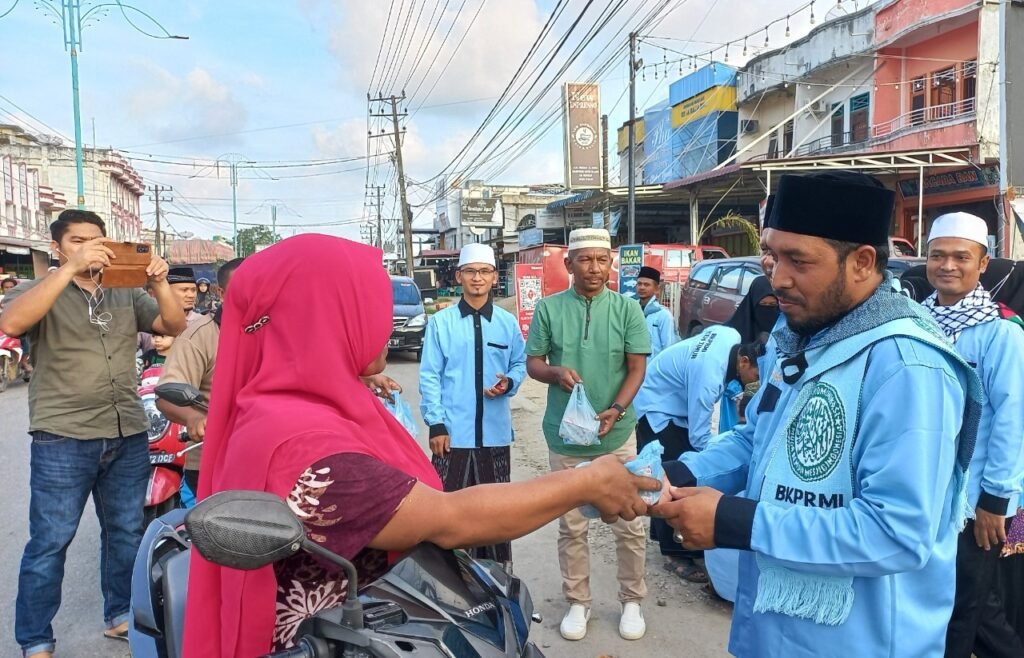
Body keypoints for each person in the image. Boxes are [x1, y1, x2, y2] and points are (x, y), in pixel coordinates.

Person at [180, 235, 658, 657]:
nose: (384, 321)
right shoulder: (307, 445)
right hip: (335, 637)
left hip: (368, 615)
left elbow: (520, 368)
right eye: (368, 306)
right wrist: (588, 480)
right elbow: (452, 520)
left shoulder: (295, 406)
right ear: (327, 316)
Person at [650, 171, 982, 658]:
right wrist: (673, 473)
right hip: (775, 628)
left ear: (862, 262)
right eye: (772, 254)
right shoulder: (804, 336)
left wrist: (737, 521)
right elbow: (758, 439)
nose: (776, 277)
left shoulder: (907, 367)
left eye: (798, 260)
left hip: (861, 641)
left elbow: (896, 534)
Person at [0, 209, 186, 658]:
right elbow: (11, 324)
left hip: (125, 429)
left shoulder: (123, 293)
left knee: (124, 532)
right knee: (51, 540)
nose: (89, 247)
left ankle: (119, 615)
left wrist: (159, 282)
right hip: (63, 434)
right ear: (58, 247)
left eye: (96, 239)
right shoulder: (38, 289)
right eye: (77, 240)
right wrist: (68, 270)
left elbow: (174, 326)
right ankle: (36, 638)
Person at [524, 227, 652, 642]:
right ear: (569, 264)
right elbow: (534, 365)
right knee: (573, 525)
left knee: (630, 523)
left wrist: (616, 409)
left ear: (611, 263)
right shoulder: (548, 309)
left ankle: (632, 600)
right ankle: (578, 602)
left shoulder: (628, 310)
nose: (594, 268)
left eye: (602, 259)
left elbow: (636, 368)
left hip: (616, 436)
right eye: (585, 259)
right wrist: (555, 372)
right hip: (566, 437)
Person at [919, 212, 1024, 658]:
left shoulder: (1001, 332)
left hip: (971, 504)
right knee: (959, 609)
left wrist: (994, 501)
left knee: (961, 611)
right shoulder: (913, 321)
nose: (948, 265)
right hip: (919, 494)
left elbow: (1012, 419)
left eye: (961, 257)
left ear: (983, 264)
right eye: (938, 255)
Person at [419, 243, 527, 565]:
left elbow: (519, 364)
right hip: (453, 437)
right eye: (470, 272)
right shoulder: (442, 324)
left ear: (495, 277)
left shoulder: (507, 324)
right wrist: (436, 424)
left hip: (494, 438)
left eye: (484, 272)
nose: (477, 278)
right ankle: (446, 585)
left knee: (496, 516)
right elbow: (430, 376)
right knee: (446, 515)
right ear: (459, 277)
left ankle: (497, 582)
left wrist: (509, 382)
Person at [633, 325, 764, 582]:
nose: (755, 382)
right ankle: (675, 554)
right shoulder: (707, 375)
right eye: (756, 374)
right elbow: (699, 435)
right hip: (658, 409)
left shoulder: (732, 336)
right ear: (744, 361)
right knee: (674, 477)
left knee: (676, 468)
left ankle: (664, 535)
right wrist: (715, 457)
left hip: (670, 398)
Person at [156, 257, 245, 506]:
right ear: (222, 293)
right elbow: (165, 396)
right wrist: (193, 418)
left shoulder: (282, 330)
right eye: (245, 287)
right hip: (213, 461)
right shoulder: (199, 335)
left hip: (270, 459)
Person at [635, 265, 676, 357]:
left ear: (656, 289)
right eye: (639, 284)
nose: (642, 287)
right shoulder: (631, 310)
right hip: (633, 366)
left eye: (646, 285)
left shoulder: (663, 314)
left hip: (654, 366)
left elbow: (669, 345)